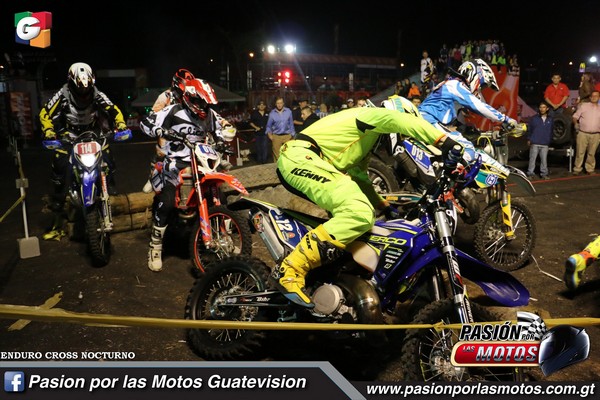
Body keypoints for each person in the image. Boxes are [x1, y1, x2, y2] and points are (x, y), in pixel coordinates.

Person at [272, 101, 464, 307]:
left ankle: (326, 279)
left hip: (307, 160)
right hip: (301, 157)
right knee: (358, 211)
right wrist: (443, 141)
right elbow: (396, 119)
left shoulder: (367, 139)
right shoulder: (373, 115)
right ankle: (290, 270)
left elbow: (360, 177)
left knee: (353, 222)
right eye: (402, 134)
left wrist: (384, 207)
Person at [140, 78, 236, 271]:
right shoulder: (173, 110)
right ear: (190, 98)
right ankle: (155, 247)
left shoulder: (209, 114)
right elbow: (145, 123)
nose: (203, 106)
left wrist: (224, 135)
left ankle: (223, 237)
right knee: (167, 202)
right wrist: (159, 130)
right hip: (176, 161)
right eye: (200, 102)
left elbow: (223, 127)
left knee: (220, 196)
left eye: (206, 103)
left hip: (201, 160)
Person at [39, 62, 128, 241]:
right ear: (72, 83)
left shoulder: (96, 93)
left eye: (87, 88)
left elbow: (113, 109)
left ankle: (109, 182)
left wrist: (121, 125)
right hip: (69, 134)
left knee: (107, 154)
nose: (84, 93)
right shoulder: (62, 94)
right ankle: (58, 212)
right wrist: (48, 131)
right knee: (59, 164)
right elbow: (45, 113)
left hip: (92, 132)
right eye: (80, 88)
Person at [418, 58, 517, 163]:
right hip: (429, 120)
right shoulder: (455, 85)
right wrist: (505, 119)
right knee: (467, 148)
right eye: (482, 85)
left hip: (427, 120)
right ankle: (449, 171)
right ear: (474, 75)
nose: (480, 89)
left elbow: (450, 122)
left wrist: (468, 130)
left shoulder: (450, 85)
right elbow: (479, 106)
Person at [142, 68, 196, 193]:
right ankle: (153, 175)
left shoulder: (191, 96)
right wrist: (159, 129)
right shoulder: (165, 96)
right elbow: (153, 115)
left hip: (186, 129)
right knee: (162, 150)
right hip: (168, 129)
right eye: (185, 84)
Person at [571, 90, 600, 175]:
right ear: (590, 97)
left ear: (599, 98)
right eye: (592, 96)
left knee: (592, 153)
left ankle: (590, 169)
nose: (594, 97)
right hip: (583, 133)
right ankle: (577, 169)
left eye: (596, 96)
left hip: (596, 134)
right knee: (580, 152)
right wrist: (575, 123)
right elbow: (575, 116)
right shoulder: (583, 106)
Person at [525, 101, 553, 180]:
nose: (542, 109)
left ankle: (544, 173)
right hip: (535, 142)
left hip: (545, 143)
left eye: (544, 107)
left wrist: (549, 140)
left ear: (547, 108)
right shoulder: (534, 118)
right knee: (532, 159)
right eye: (540, 107)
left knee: (544, 160)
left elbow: (551, 130)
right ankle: (530, 173)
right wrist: (529, 139)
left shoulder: (550, 119)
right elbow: (530, 129)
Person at [265, 97, 294, 161]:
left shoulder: (288, 111)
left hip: (287, 136)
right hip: (276, 137)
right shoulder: (272, 114)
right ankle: (277, 167)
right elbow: (268, 126)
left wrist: (292, 135)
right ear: (275, 104)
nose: (279, 105)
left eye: (281, 103)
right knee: (277, 156)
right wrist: (270, 135)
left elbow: (291, 124)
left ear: (283, 103)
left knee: (288, 154)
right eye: (278, 103)